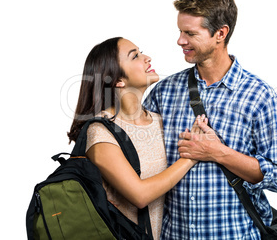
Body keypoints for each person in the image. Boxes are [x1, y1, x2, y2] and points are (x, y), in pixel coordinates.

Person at [143, 0, 277, 239]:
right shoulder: (164, 92)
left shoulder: (259, 96)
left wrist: (219, 153)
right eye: (180, 31)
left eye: (190, 33)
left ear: (220, 33)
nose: (180, 41)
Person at [67, 37, 207, 240]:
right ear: (118, 80)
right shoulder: (100, 131)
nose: (147, 58)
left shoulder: (159, 121)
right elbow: (140, 195)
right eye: (135, 56)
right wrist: (191, 157)